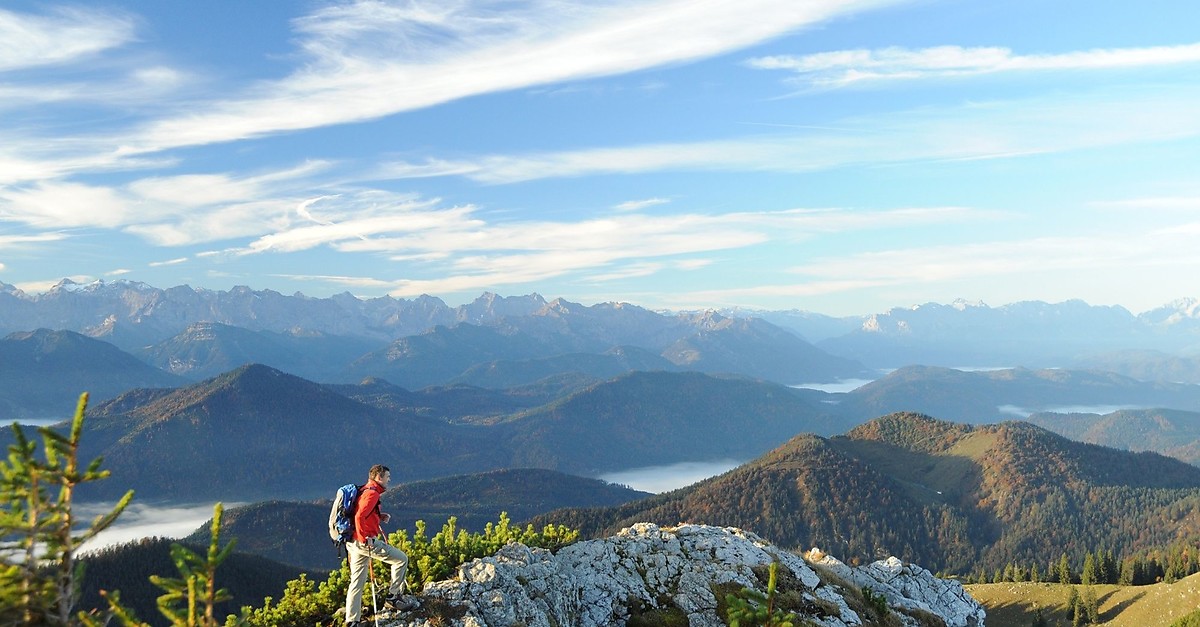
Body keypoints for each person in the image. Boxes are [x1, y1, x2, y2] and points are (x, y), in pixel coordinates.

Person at [344, 464, 418, 626]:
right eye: (387, 477)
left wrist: (379, 516)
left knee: (356, 582)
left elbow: (361, 513)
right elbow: (359, 517)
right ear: (379, 477)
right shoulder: (372, 494)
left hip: (353, 542)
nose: (389, 480)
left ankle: (352, 621)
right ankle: (393, 598)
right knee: (401, 559)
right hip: (364, 542)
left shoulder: (365, 489)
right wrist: (365, 538)